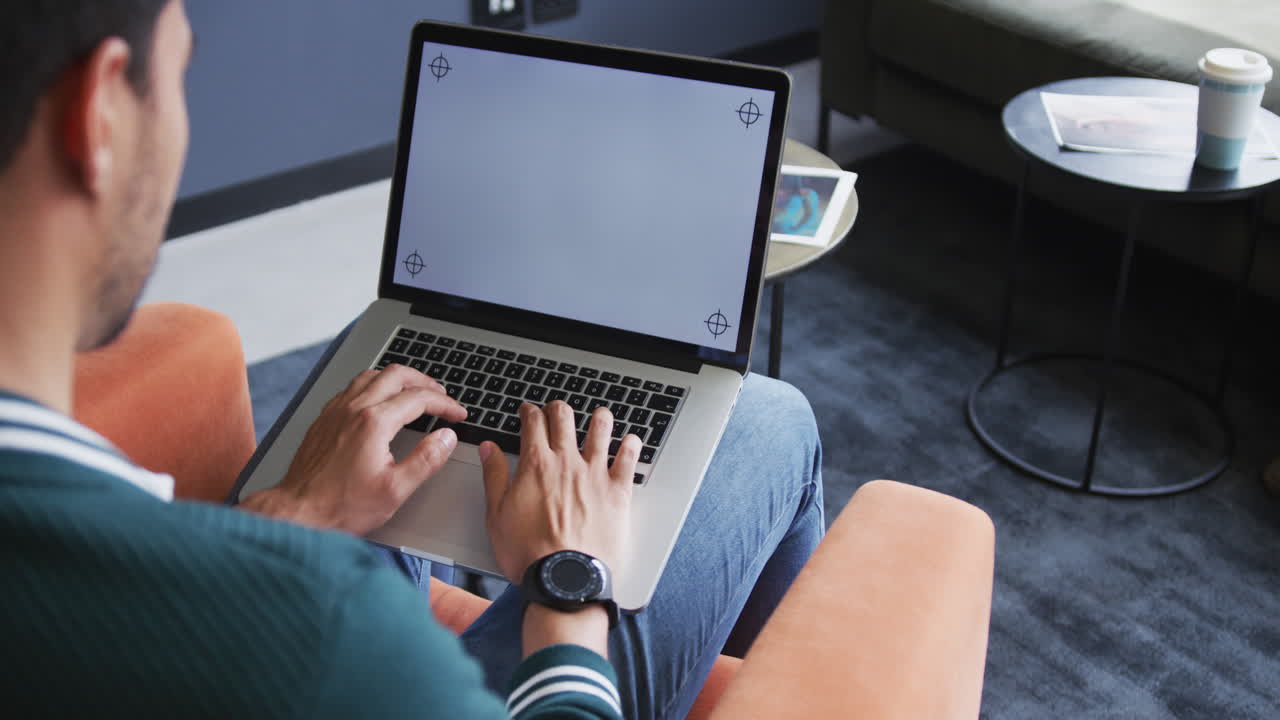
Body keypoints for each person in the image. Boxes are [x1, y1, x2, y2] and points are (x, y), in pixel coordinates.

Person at [0, 2, 824, 718]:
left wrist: (291, 516)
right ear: (99, 115)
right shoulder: (335, 630)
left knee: (380, 384)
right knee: (772, 419)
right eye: (181, 74)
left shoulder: (93, 568)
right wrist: (568, 578)